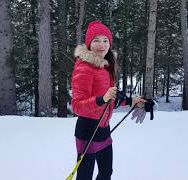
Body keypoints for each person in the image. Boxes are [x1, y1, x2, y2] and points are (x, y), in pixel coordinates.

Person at [71, 20, 146, 180]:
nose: (101, 45)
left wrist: (132, 101)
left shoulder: (106, 66)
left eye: (105, 40)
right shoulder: (84, 68)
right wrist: (101, 99)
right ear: (89, 43)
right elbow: (77, 106)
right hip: (87, 131)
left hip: (103, 129)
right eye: (96, 40)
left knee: (106, 173)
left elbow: (111, 97)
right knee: (85, 176)